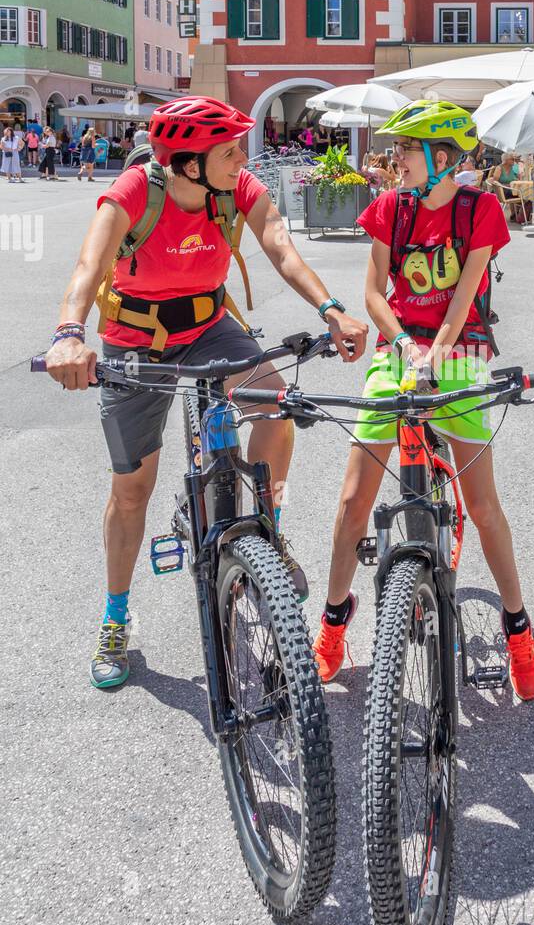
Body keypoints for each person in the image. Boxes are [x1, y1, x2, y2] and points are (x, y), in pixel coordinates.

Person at [43, 95, 368, 690]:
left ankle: (265, 530)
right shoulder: (134, 192)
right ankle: (116, 617)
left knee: (275, 407)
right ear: (189, 164)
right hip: (134, 340)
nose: (242, 158)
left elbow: (279, 245)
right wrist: (69, 335)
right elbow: (87, 268)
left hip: (209, 325)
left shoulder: (235, 186)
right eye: (229, 150)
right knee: (132, 490)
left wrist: (331, 309)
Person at [311, 98, 534, 702]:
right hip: (399, 350)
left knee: (484, 504)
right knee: (353, 496)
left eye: (406, 151)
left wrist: (434, 354)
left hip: (459, 353)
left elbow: (466, 295)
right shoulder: (391, 206)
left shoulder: (480, 211)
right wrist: (401, 346)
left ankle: (516, 623)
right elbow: (371, 290)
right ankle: (334, 617)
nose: (395, 161)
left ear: (442, 158)